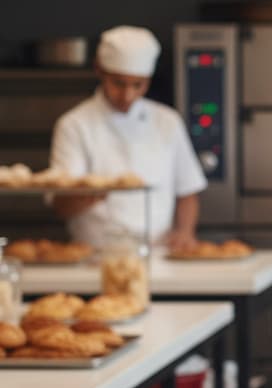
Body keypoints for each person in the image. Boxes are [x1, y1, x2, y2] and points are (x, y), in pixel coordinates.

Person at [49, 25, 207, 249]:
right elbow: (61, 207)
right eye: (118, 83)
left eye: (138, 85)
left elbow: (187, 192)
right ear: (99, 70)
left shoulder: (167, 121)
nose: (127, 95)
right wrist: (89, 195)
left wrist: (184, 232)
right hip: (95, 256)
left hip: (158, 255)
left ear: (149, 80)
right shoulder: (74, 125)